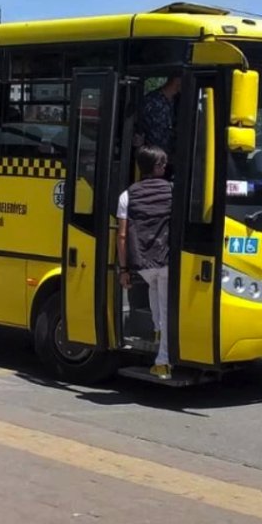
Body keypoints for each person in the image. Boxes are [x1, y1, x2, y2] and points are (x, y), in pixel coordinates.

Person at [116, 145, 172, 380]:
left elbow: (121, 235)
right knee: (166, 304)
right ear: (157, 167)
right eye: (163, 164)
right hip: (166, 257)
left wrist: (124, 268)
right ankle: (163, 361)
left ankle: (158, 330)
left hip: (142, 261)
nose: (165, 167)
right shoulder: (172, 190)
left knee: (154, 288)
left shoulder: (127, 195)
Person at [135, 76, 181, 155]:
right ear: (176, 80)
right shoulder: (151, 101)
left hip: (173, 159)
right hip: (153, 158)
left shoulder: (180, 102)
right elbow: (137, 126)